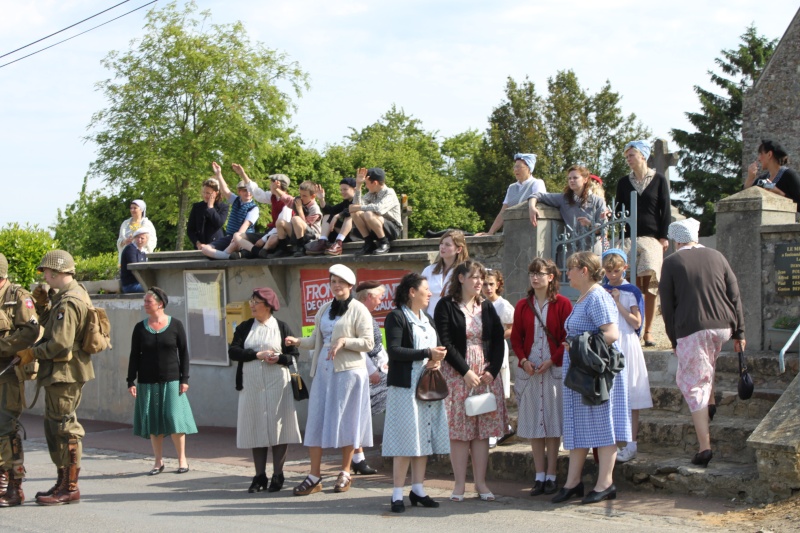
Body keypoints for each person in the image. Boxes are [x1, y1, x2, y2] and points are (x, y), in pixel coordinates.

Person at [659, 218, 745, 468]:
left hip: (692, 328)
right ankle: (711, 403)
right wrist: (740, 332)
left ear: (676, 240)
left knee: (692, 382)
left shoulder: (672, 262)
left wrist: (674, 339)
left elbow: (668, 306)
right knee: (707, 359)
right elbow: (734, 294)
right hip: (723, 326)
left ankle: (704, 447)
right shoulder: (717, 256)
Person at [284, 264, 374, 496]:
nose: (336, 286)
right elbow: (316, 339)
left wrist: (345, 341)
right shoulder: (324, 309)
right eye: (333, 281)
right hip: (324, 372)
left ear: (350, 286)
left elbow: (368, 343)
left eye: (341, 282)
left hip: (349, 373)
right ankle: (314, 475)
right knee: (316, 419)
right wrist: (297, 341)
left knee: (347, 420)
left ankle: (345, 471)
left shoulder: (359, 309)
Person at [552, 251, 630, 505]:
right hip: (584, 372)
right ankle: (573, 483)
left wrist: (575, 343)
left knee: (602, 425)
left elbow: (612, 334)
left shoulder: (597, 296)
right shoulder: (586, 296)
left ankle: (605, 484)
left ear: (584, 270)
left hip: (598, 375)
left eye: (571, 268)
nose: (567, 273)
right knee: (579, 425)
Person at [17, 250, 95, 505]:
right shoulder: (65, 297)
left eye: (46, 272)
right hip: (61, 372)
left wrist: (32, 352)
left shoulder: (69, 301)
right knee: (56, 427)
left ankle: (70, 486)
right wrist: (42, 306)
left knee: (65, 428)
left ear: (55, 271)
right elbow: (55, 328)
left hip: (65, 373)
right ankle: (63, 482)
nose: (45, 277)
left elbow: (61, 341)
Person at [434, 260, 507, 502]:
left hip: (484, 373)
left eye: (482, 277)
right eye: (474, 277)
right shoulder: (445, 305)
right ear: (461, 278)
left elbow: (497, 340)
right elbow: (446, 340)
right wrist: (465, 371)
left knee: (481, 432)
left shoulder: (486, 306)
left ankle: (481, 484)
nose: (479, 282)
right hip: (457, 373)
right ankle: (458, 485)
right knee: (459, 432)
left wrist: (492, 371)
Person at [382, 272, 449, 513]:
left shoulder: (428, 319)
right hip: (405, 387)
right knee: (405, 440)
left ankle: (418, 489)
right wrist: (426, 354)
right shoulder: (397, 317)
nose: (430, 293)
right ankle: (397, 493)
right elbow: (395, 351)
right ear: (412, 292)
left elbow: (436, 347)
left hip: (426, 384)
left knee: (424, 437)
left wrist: (438, 360)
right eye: (426, 289)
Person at [228, 287, 301, 493]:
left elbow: (294, 356)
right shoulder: (244, 327)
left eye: (256, 302)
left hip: (278, 384)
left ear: (268, 306)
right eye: (251, 300)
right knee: (255, 427)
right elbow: (234, 351)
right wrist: (256, 355)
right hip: (251, 385)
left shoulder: (282, 327)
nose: (251, 304)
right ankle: (259, 475)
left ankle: (278, 474)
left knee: (279, 428)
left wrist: (279, 358)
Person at [511, 258, 571, 496]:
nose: (535, 278)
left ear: (551, 277)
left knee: (553, 423)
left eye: (540, 273)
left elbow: (568, 337)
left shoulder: (563, 304)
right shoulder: (522, 306)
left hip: (553, 368)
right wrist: (523, 360)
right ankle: (539, 475)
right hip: (531, 369)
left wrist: (553, 359)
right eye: (532, 273)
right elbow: (516, 337)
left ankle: (552, 474)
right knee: (536, 423)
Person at [127, 287, 197, 476]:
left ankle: (182, 459)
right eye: (145, 301)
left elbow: (184, 353)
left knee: (175, 419)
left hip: (172, 380)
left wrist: (185, 379)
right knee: (153, 422)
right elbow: (134, 355)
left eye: (148, 301)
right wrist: (130, 380)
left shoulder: (176, 325)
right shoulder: (140, 328)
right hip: (147, 381)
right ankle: (158, 461)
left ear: (160, 304)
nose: (145, 304)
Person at [615, 140, 671, 347]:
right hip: (628, 237)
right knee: (626, 280)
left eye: (632, 155)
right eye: (627, 156)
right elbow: (619, 210)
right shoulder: (623, 182)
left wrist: (664, 236)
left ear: (643, 156)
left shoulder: (658, 180)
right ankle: (631, 327)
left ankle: (648, 330)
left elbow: (665, 210)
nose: (628, 159)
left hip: (651, 237)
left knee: (649, 282)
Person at [601, 248, 652, 463]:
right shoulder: (600, 290)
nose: (613, 275)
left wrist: (618, 302)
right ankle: (609, 442)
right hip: (608, 343)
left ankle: (631, 443)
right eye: (609, 270)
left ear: (625, 269)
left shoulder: (630, 291)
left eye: (617, 270)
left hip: (627, 343)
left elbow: (637, 322)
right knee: (608, 394)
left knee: (631, 393)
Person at [0, 252, 39, 507]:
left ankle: (14, 485)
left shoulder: (18, 297)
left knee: (6, 429)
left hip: (8, 373)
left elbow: (31, 331)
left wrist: (2, 346)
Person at [350, 280, 387, 476]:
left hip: (375, 369)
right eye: (379, 296)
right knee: (358, 414)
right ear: (370, 297)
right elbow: (359, 347)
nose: (381, 301)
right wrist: (372, 369)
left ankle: (359, 457)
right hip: (364, 371)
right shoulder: (358, 314)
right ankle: (358, 458)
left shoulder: (364, 314)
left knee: (361, 414)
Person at [528, 165, 608, 248]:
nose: (571, 180)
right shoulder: (563, 199)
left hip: (591, 251)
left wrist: (590, 224)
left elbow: (603, 229)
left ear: (585, 179)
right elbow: (537, 195)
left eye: (575, 178)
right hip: (570, 252)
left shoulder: (598, 201)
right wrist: (532, 207)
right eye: (569, 178)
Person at [481, 268, 515, 447]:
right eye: (485, 284)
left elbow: (511, 328)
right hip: (483, 349)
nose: (488, 288)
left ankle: (500, 428)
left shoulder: (503, 305)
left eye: (491, 284)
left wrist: (496, 336)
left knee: (498, 388)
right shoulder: (480, 303)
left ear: (498, 285)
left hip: (497, 349)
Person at [199, 162, 259, 260]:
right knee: (206, 249)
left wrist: (236, 239)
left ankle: (223, 255)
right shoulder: (236, 200)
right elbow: (225, 190)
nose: (248, 193)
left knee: (230, 247)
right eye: (244, 190)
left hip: (242, 238)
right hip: (229, 236)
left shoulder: (253, 208)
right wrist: (218, 174)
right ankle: (226, 256)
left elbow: (245, 226)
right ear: (239, 191)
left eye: (249, 191)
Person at [230, 169, 294, 259]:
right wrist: (243, 174)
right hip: (269, 232)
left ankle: (249, 253)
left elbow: (281, 226)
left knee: (273, 239)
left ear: (277, 184)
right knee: (237, 235)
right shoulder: (273, 196)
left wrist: (263, 239)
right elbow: (257, 193)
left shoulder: (286, 204)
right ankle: (256, 252)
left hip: (279, 235)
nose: (269, 185)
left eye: (271, 183)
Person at [477, 153, 546, 235]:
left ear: (529, 168)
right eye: (515, 167)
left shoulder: (537, 183)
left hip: (529, 234)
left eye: (519, 167)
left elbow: (540, 205)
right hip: (511, 233)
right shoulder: (511, 187)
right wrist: (490, 232)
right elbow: (503, 212)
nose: (515, 170)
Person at [350, 167, 403, 255]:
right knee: (355, 213)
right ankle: (369, 243)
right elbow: (356, 205)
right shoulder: (370, 194)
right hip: (375, 226)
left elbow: (379, 209)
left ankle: (384, 243)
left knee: (368, 214)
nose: (366, 186)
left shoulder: (389, 192)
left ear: (374, 183)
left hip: (392, 228)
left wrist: (358, 208)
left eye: (366, 184)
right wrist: (358, 185)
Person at [266, 180, 322, 258]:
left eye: (304, 196)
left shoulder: (315, 209)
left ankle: (301, 248)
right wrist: (276, 189)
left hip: (311, 237)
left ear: (312, 196)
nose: (301, 198)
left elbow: (305, 225)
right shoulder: (299, 201)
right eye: (300, 194)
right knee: (280, 222)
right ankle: (283, 249)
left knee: (296, 219)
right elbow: (287, 198)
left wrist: (299, 209)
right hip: (297, 234)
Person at [421, 229, 469, 316]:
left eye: (447, 245)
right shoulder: (429, 270)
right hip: (431, 321)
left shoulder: (465, 271)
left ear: (459, 249)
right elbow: (421, 298)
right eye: (441, 243)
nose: (442, 247)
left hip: (454, 319)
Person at [745, 139, 800, 213]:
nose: (759, 159)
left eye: (761, 154)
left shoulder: (789, 176)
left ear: (769, 154)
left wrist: (779, 193)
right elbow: (745, 200)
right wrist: (750, 178)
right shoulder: (762, 180)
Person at [305, 178, 357, 256]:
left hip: (356, 234)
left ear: (355, 190)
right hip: (344, 235)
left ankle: (338, 243)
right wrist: (321, 199)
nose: (342, 192)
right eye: (341, 190)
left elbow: (349, 210)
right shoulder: (345, 202)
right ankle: (322, 242)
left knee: (349, 215)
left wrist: (337, 216)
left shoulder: (359, 200)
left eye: (345, 189)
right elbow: (330, 211)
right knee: (327, 216)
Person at [187, 178, 230, 250]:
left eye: (208, 193)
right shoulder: (197, 207)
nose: (205, 195)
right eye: (204, 192)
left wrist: (210, 207)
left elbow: (219, 223)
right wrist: (197, 243)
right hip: (200, 246)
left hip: (217, 246)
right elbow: (190, 230)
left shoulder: (223, 207)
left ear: (216, 193)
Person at [116, 199, 157, 266]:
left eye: (135, 208)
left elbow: (152, 241)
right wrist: (125, 241)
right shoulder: (125, 223)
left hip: (141, 255)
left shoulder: (147, 224)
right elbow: (119, 240)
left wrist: (138, 241)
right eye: (131, 208)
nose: (132, 210)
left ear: (141, 209)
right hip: (127, 254)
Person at [120, 227, 149, 293]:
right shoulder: (130, 249)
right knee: (153, 290)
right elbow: (134, 267)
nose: (139, 240)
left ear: (146, 240)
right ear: (134, 238)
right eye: (137, 237)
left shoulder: (143, 251)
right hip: (130, 285)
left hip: (139, 284)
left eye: (142, 238)